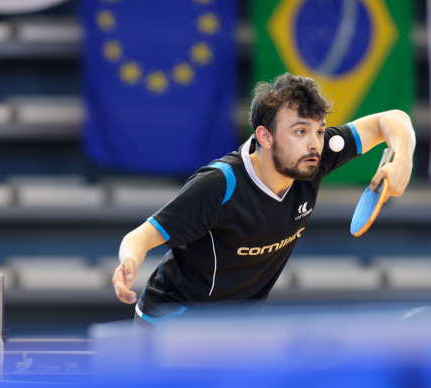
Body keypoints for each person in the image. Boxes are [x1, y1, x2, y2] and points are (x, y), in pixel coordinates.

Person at [112, 72, 415, 326]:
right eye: (300, 131)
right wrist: (129, 262)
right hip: (176, 323)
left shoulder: (314, 157)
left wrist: (402, 158)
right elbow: (143, 235)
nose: (314, 143)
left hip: (239, 331)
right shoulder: (221, 186)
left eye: (320, 131)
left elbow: (391, 120)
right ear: (265, 137)